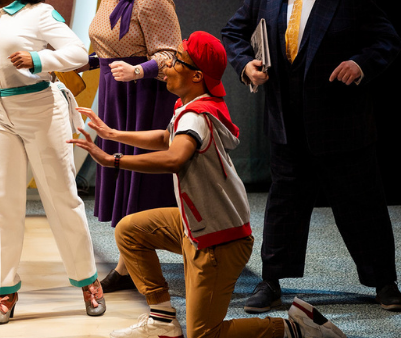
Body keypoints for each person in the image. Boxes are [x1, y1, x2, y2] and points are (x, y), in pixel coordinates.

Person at [68, 31, 347, 338]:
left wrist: (113, 160)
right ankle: (162, 320)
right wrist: (113, 134)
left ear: (197, 75)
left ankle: (296, 328)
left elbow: (175, 157)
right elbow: (166, 138)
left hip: (218, 240)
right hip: (197, 225)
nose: (168, 66)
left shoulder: (197, 116)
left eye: (177, 60)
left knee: (204, 335)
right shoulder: (192, 106)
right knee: (130, 230)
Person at [221, 0, 401, 313]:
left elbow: (387, 39)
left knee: (362, 207)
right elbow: (233, 33)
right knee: (284, 207)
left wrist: (360, 63)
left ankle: (384, 283)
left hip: (343, 125)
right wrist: (245, 65)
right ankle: (271, 282)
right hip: (286, 124)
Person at [0, 0, 106, 324]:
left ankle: (88, 282)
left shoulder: (40, 14)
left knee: (61, 197)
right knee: (5, 202)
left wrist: (39, 58)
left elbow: (78, 52)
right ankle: (5, 293)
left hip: (41, 109)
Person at [86, 0, 181, 292]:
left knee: (137, 182)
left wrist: (139, 72)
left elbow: (171, 55)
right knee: (123, 178)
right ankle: (131, 263)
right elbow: (111, 45)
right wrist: (89, 61)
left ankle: (131, 266)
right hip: (116, 92)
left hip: (142, 99)